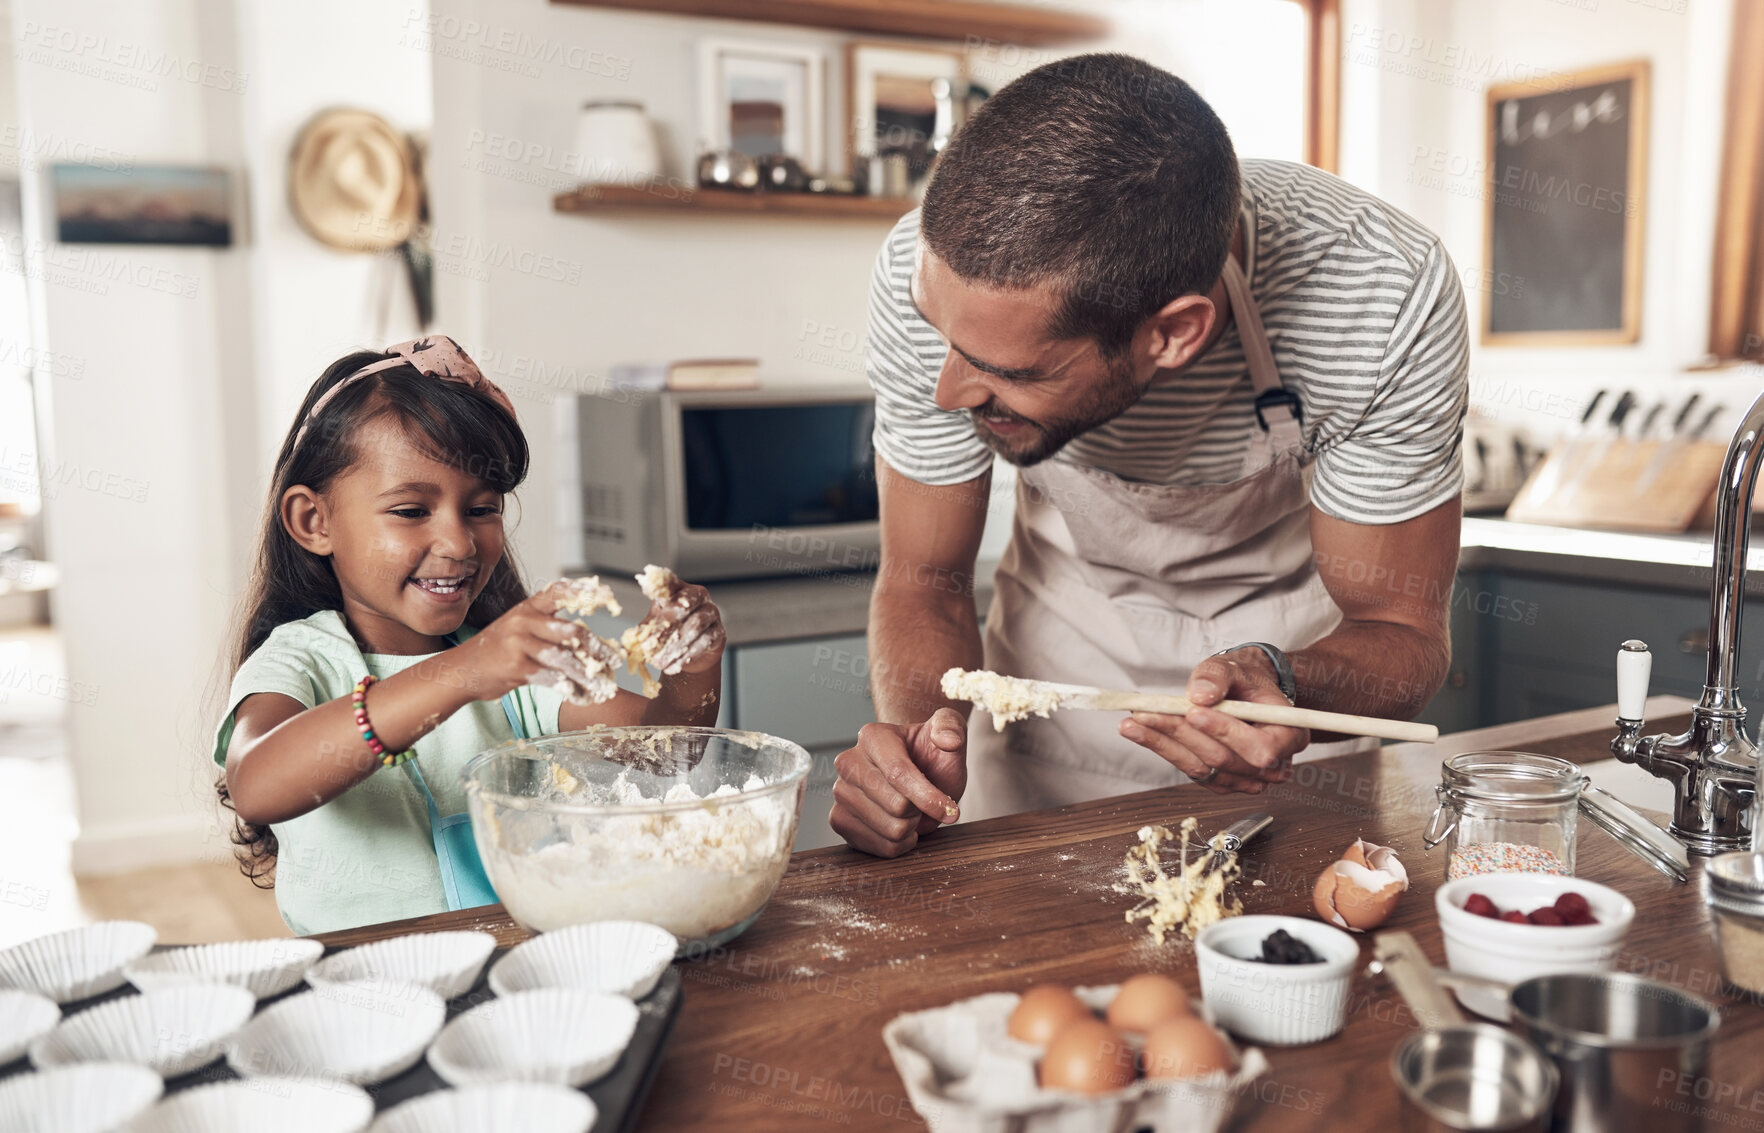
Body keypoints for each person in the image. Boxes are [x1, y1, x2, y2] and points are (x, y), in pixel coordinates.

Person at [832, 53, 1468, 857]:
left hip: (1288, 731)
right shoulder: (930, 271)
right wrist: (917, 751)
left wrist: (1288, 684)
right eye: (942, 339)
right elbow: (925, 581)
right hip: (1048, 693)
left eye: (1008, 372)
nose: (948, 393)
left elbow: (1401, 627)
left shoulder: (1384, 295)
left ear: (1173, 333)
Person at [212, 336, 726, 934]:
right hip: (369, 989)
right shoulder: (304, 660)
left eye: (482, 509)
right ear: (313, 521)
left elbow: (666, 752)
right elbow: (258, 783)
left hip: (514, 963)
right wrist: (463, 673)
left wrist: (693, 669)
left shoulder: (515, 670)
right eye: (410, 511)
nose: (459, 544)